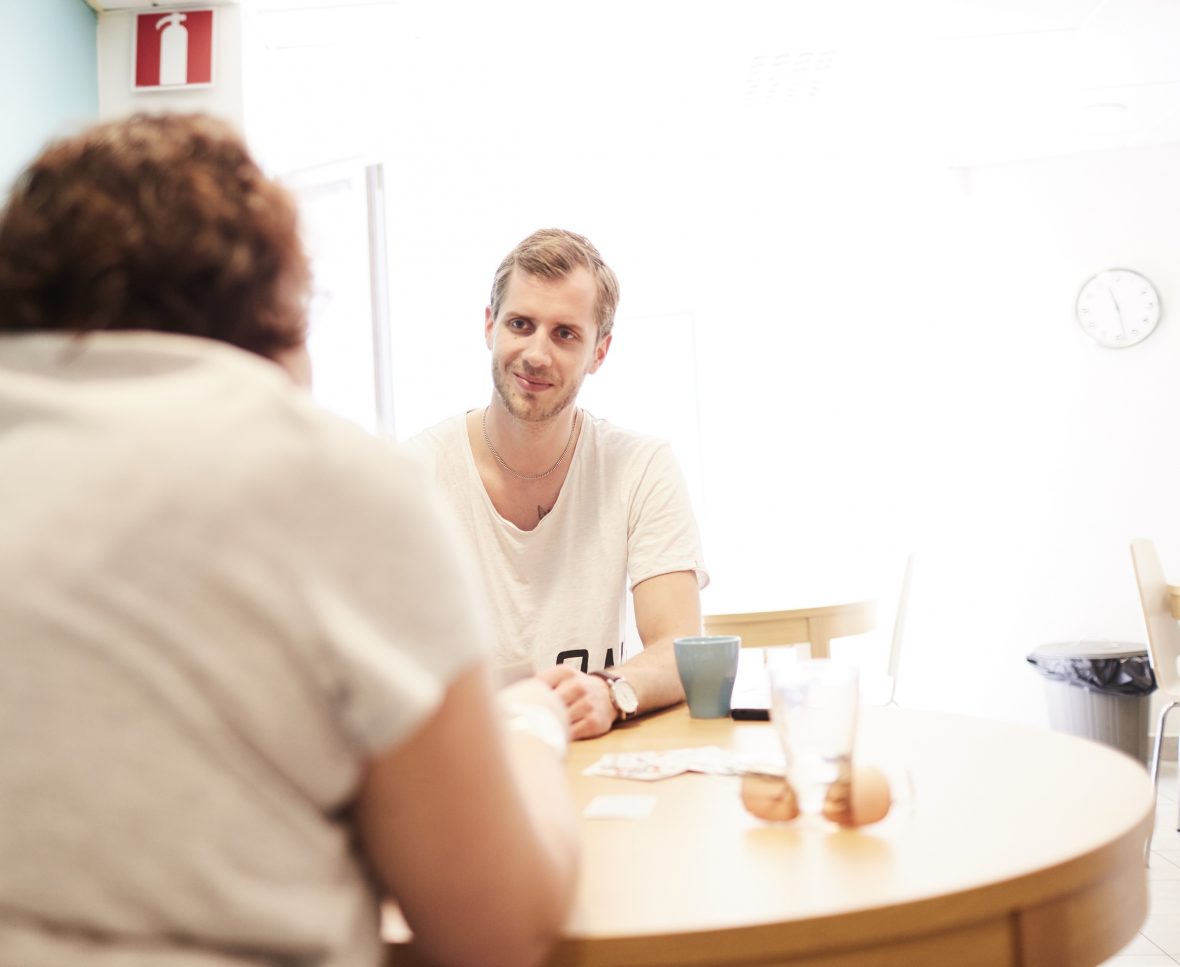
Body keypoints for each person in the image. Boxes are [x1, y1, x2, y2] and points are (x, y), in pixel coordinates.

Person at [0, 114, 576, 967]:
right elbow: (497, 928)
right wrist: (530, 725)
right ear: (277, 313)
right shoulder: (345, 481)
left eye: (564, 332)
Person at [405, 228, 708, 740]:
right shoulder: (415, 473)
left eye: (565, 334)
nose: (536, 354)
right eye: (520, 324)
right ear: (489, 326)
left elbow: (681, 650)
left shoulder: (641, 467)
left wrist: (610, 691)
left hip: (592, 752)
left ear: (600, 352)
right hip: (467, 760)